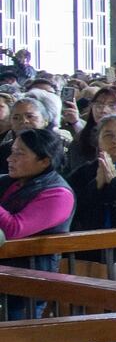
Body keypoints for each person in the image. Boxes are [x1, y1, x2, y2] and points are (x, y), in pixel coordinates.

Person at [1, 127, 78, 316]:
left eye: (19, 154)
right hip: (5, 275)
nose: (10, 159)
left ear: (44, 161)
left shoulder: (59, 194)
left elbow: (14, 229)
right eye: (12, 152)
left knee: (16, 341)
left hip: (27, 283)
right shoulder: (12, 181)